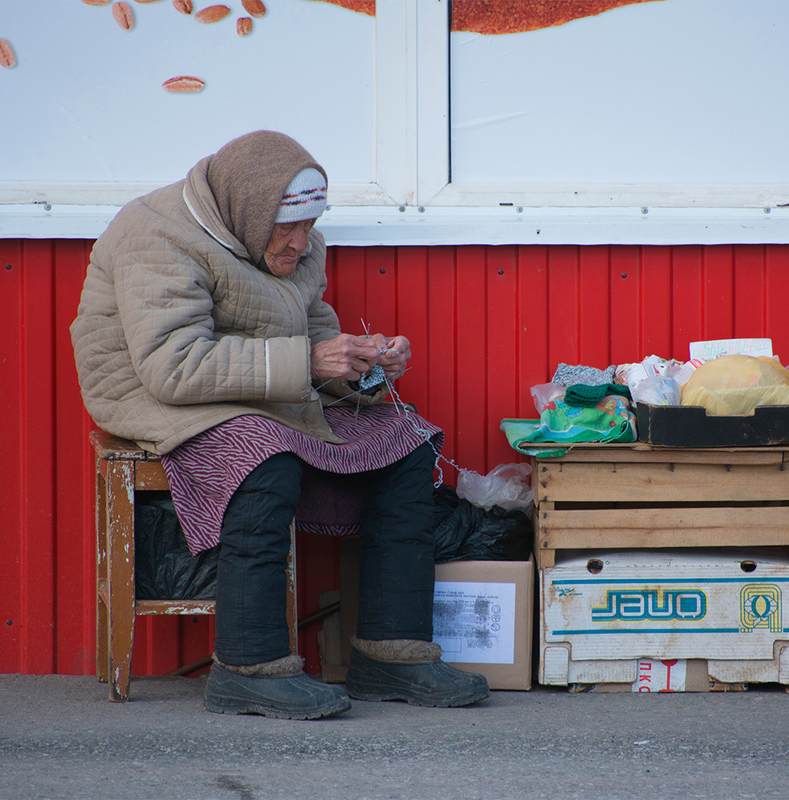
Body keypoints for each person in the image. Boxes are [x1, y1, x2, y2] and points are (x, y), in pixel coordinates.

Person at [71, 130, 489, 719]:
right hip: (158, 392)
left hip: (263, 386)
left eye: (310, 225)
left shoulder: (300, 244)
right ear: (246, 210)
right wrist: (313, 361)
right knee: (266, 457)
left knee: (406, 441)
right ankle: (248, 666)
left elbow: (313, 331)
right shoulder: (155, 233)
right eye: (285, 227)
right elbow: (173, 366)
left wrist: (361, 364)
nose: (300, 241)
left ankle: (392, 653)